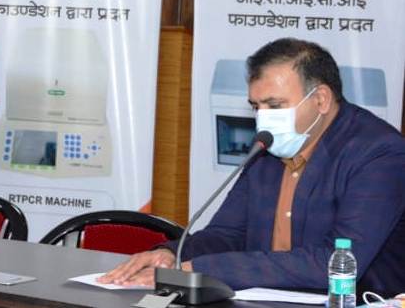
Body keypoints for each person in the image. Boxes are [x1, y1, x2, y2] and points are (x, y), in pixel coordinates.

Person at [99, 38, 405, 292]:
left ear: (321, 99)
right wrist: (171, 255)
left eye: (275, 105)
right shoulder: (267, 149)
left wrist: (197, 268)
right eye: (256, 106)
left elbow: (333, 263)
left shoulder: (379, 153)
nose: (263, 117)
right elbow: (227, 234)